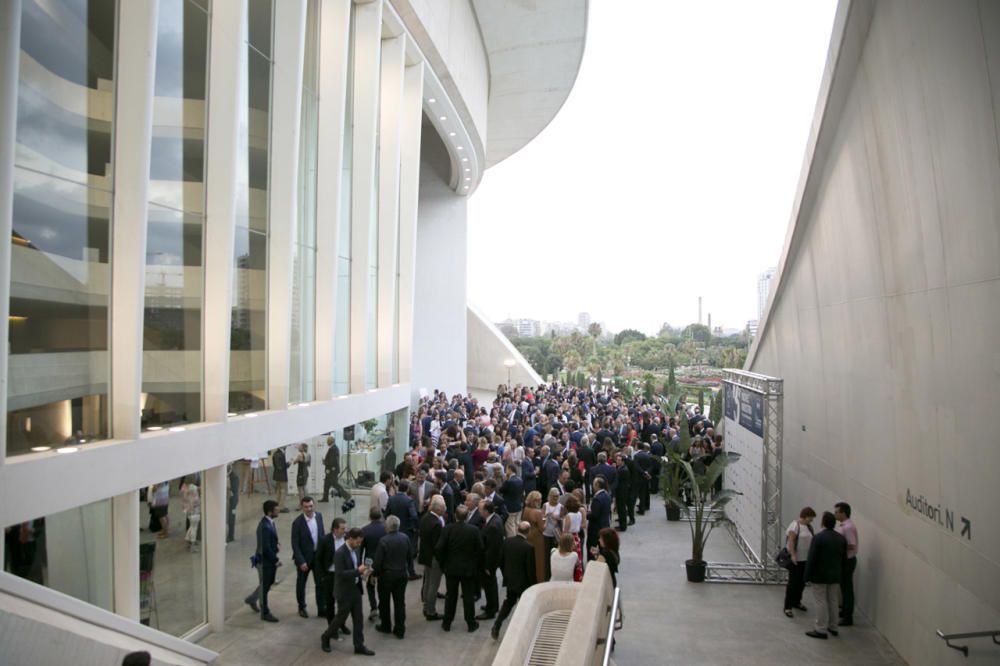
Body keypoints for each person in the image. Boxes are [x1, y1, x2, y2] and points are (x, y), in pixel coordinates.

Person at [321, 528, 376, 656]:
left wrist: (364, 573)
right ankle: (326, 636)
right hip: (344, 592)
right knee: (340, 618)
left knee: (358, 619)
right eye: (357, 542)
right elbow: (340, 574)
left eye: (360, 542)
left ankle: (359, 645)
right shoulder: (340, 553)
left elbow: (355, 567)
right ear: (350, 539)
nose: (359, 545)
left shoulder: (355, 550)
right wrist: (358, 571)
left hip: (355, 589)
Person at [435, 504, 484, 633]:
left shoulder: (448, 529)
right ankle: (471, 623)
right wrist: (476, 564)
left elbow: (439, 548)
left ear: (455, 516)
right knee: (468, 597)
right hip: (468, 569)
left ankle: (447, 623)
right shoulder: (474, 530)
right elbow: (480, 550)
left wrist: (443, 563)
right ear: (467, 516)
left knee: (451, 596)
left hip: (451, 568)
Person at [804, 511, 848, 640]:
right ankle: (833, 626)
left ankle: (820, 629)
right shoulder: (841, 538)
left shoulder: (818, 538)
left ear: (823, 523)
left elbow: (812, 558)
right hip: (835, 575)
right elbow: (844, 559)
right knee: (833, 600)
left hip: (820, 575)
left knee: (820, 601)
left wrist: (807, 576)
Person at [490, 521, 537, 640]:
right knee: (524, 607)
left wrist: (506, 574)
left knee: (508, 603)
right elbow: (530, 569)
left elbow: (500, 560)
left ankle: (497, 624)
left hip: (510, 580)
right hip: (524, 584)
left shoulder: (507, 542)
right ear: (528, 531)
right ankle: (520, 630)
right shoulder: (529, 547)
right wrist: (533, 585)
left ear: (517, 529)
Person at [373, 515, 410, 639]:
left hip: (386, 576)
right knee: (400, 602)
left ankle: (386, 625)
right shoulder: (405, 538)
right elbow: (410, 556)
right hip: (401, 574)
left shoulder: (383, 541)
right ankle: (400, 629)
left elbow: (378, 562)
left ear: (387, 526)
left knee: (384, 602)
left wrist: (375, 574)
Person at [244, 500, 281, 622]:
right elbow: (265, 548)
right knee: (265, 586)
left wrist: (276, 544)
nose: (279, 510)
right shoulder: (265, 526)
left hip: (267, 559)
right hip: (265, 561)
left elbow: (270, 541)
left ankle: (252, 599)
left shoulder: (269, 522)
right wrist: (275, 560)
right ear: (270, 512)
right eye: (276, 509)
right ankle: (264, 612)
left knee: (266, 583)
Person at [291, 496, 326, 618]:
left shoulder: (319, 516)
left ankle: (321, 608)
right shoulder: (297, 523)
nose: (309, 509)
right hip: (304, 559)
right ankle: (302, 607)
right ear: (302, 507)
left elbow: (322, 535)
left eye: (311, 506)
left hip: (317, 557)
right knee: (301, 584)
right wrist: (301, 561)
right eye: (306, 507)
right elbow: (295, 544)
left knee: (320, 584)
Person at [783, 507, 816, 618]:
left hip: (805, 560)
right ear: (805, 516)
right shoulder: (795, 525)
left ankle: (797, 601)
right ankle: (787, 607)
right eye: (810, 518)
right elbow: (791, 541)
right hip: (796, 560)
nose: (811, 520)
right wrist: (793, 555)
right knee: (793, 583)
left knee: (802, 583)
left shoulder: (808, 527)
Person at [317, 517, 349, 629]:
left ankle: (342, 624)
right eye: (342, 528)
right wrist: (322, 576)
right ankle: (332, 627)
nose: (345, 531)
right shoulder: (325, 540)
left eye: (346, 528)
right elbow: (318, 559)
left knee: (343, 603)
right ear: (334, 529)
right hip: (330, 576)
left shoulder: (347, 539)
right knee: (330, 603)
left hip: (343, 575)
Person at [418, 495, 446, 620]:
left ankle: (425, 606)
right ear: (438, 509)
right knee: (433, 585)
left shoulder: (425, 518)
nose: (445, 509)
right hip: (434, 558)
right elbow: (438, 545)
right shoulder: (437, 524)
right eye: (443, 507)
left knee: (427, 582)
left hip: (425, 555)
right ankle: (430, 611)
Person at [385, 480, 419, 579]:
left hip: (393, 529)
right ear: (407, 489)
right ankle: (411, 573)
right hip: (406, 530)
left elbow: (386, 514)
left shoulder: (391, 499)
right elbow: (414, 516)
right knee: (408, 552)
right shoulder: (409, 500)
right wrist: (414, 527)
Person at [478, 499, 505, 620]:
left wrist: (488, 566)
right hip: (492, 560)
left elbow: (492, 549)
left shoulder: (493, 525)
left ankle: (490, 610)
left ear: (486, 511)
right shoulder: (495, 519)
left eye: (480, 509)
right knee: (491, 584)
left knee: (490, 585)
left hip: (490, 562)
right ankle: (493, 605)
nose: (479, 511)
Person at [359, 507, 386, 621]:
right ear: (380, 516)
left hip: (369, 562)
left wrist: (360, 564)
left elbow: (360, 549)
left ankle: (373, 607)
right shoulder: (386, 528)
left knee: (370, 586)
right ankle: (382, 607)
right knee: (383, 586)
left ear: (370, 516)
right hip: (383, 561)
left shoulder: (364, 530)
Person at [834, 501, 859, 626]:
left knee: (847, 588)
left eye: (837, 512)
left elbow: (851, 545)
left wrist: (838, 548)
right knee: (844, 587)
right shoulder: (844, 525)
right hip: (845, 560)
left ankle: (848, 617)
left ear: (843, 513)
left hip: (848, 561)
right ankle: (844, 611)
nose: (835, 514)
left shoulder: (848, 527)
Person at [521, 490, 546, 584]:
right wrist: (546, 520)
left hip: (528, 536)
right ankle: (539, 580)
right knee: (539, 561)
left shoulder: (526, 509)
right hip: (537, 538)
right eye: (539, 500)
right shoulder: (537, 512)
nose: (540, 501)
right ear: (535, 501)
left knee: (529, 560)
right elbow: (542, 528)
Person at [561, 494, 586, 582]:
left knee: (569, 558)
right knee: (577, 558)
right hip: (576, 536)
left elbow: (566, 529)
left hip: (569, 538)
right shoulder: (579, 514)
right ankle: (578, 577)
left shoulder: (569, 516)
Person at [587, 477, 612, 560]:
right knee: (603, 548)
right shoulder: (607, 495)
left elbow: (594, 515)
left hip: (595, 529)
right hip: (605, 525)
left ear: (597, 485)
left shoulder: (597, 499)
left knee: (592, 548)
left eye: (593, 484)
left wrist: (585, 514)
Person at [321, 436, 350, 503]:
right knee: (326, 484)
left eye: (328, 441)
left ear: (331, 441)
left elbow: (333, 461)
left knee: (335, 484)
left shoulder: (333, 449)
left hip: (332, 471)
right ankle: (325, 498)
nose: (327, 442)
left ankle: (346, 495)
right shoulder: (333, 448)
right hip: (331, 470)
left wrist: (325, 462)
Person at [542, 488, 563, 579]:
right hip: (546, 534)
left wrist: (557, 518)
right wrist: (546, 516)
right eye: (554, 497)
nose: (555, 499)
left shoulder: (560, 506)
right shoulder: (545, 505)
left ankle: (556, 575)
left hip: (556, 535)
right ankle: (547, 576)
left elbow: (563, 520)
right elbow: (542, 518)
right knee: (547, 557)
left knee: (556, 555)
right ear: (549, 496)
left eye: (557, 497)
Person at [499, 463, 524, 537]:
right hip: (518, 505)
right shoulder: (520, 479)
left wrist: (506, 480)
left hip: (510, 506)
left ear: (510, 469)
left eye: (506, 469)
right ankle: (518, 538)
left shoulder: (509, 481)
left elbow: (501, 490)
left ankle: (513, 541)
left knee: (510, 526)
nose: (506, 471)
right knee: (517, 524)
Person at [179, 476, 200, 552]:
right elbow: (199, 491)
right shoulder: (193, 487)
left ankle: (188, 542)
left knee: (191, 527)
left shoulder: (183, 487)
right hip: (195, 510)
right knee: (194, 528)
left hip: (188, 510)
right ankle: (192, 547)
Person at [272, 447, 289, 512]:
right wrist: (288, 464)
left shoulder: (276, 453)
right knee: (283, 491)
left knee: (279, 491)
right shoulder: (280, 454)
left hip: (277, 475)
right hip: (282, 475)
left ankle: (277, 506)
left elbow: (277, 465)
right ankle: (281, 507)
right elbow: (280, 466)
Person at [226, 464, 239, 543]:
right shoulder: (228, 477)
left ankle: (231, 536)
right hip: (228, 500)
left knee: (231, 519)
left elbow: (234, 492)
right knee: (228, 519)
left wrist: (233, 505)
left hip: (232, 502)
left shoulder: (234, 477)